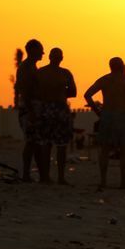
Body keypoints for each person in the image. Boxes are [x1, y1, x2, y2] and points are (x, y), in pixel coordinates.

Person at [84, 57, 125, 190]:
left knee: (105, 149)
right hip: (122, 116)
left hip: (107, 116)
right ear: (121, 66)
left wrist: (97, 111)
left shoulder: (104, 80)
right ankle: (122, 181)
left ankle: (104, 181)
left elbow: (87, 94)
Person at [35, 47, 77, 185]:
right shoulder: (63, 73)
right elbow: (72, 92)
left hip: (50, 109)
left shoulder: (42, 72)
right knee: (56, 145)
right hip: (55, 109)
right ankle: (55, 177)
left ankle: (51, 176)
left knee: (50, 145)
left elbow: (73, 91)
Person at [14, 39, 43, 181]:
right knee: (31, 142)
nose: (42, 53)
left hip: (32, 108)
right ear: (32, 50)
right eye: (40, 50)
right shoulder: (26, 68)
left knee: (35, 142)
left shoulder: (31, 66)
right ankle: (26, 174)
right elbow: (24, 91)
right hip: (29, 109)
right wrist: (31, 111)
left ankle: (36, 174)